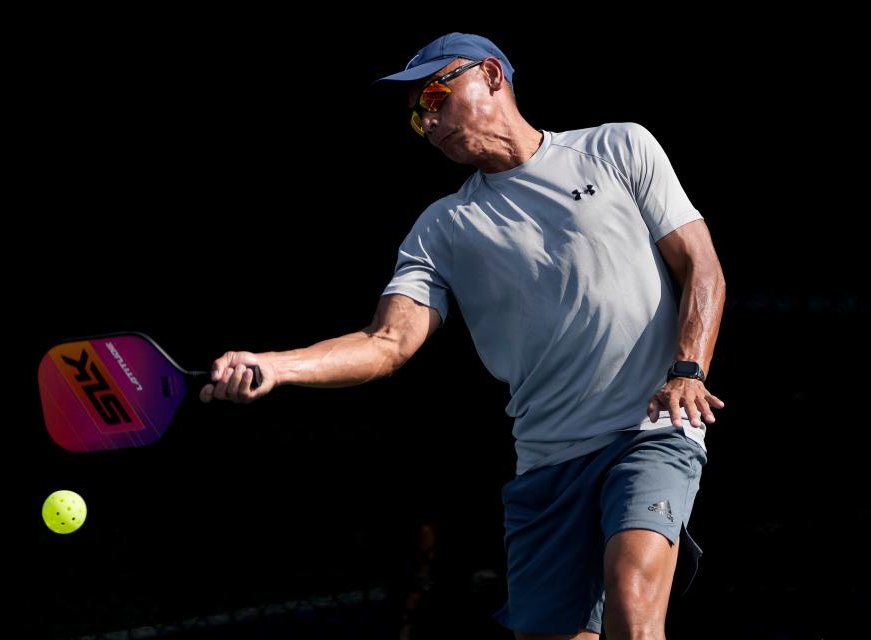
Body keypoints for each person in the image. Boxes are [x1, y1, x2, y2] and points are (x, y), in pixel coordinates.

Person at [201, 32, 725, 640]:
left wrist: (688, 369)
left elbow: (700, 266)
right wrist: (276, 366)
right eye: (417, 114)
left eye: (436, 94)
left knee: (632, 604)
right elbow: (386, 343)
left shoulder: (618, 147)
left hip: (648, 432)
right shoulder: (443, 229)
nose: (428, 119)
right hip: (547, 465)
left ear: (494, 76)